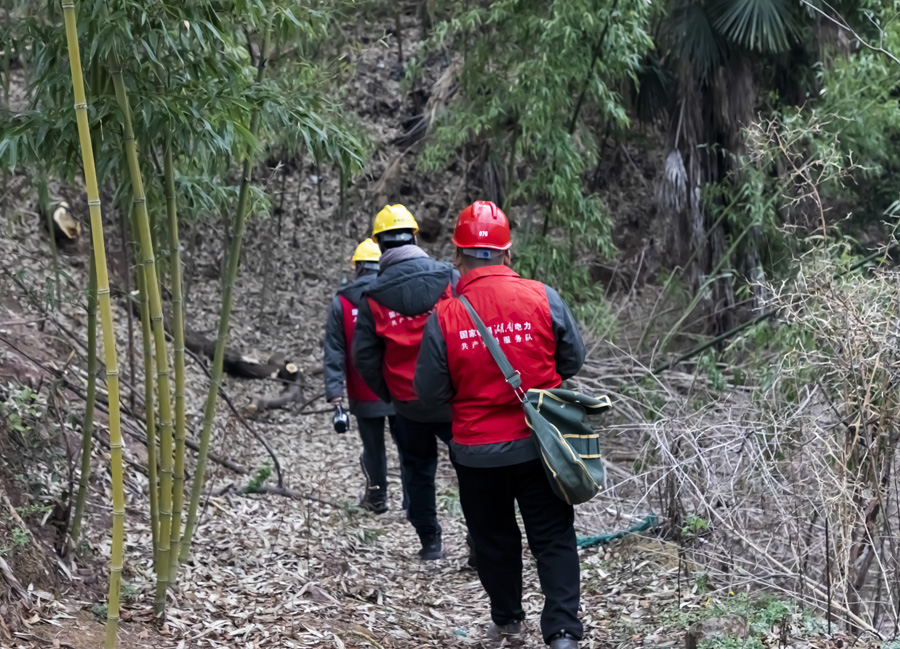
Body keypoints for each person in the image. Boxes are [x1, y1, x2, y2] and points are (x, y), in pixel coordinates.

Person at [414, 201, 586, 649]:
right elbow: (573, 359)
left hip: (476, 451)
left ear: (458, 257)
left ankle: (509, 622)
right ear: (508, 253)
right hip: (540, 445)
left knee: (493, 540)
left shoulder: (446, 316)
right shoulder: (542, 296)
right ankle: (564, 632)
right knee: (552, 537)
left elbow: (429, 393)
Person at [352, 204, 461, 561]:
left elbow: (364, 357)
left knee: (417, 469)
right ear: (415, 237)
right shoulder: (449, 279)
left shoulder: (372, 297)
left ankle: (430, 541)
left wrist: (389, 395)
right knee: (472, 467)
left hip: (407, 403)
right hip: (454, 398)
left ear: (380, 246)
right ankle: (480, 536)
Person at [323, 238, 405, 514]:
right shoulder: (393, 292)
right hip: (398, 386)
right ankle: (413, 500)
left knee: (373, 449)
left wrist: (335, 394)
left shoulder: (342, 302)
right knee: (407, 445)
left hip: (362, 389)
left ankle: (377, 498)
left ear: (357, 267)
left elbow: (334, 350)